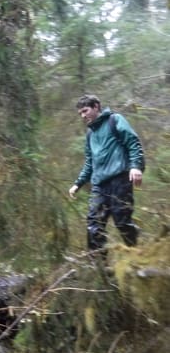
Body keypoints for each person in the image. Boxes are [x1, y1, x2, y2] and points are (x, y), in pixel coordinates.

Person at [68, 94, 145, 259]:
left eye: (85, 110)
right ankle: (98, 266)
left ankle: (136, 257)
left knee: (122, 221)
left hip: (120, 179)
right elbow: (90, 162)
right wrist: (78, 184)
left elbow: (133, 142)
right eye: (80, 113)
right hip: (99, 185)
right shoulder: (90, 134)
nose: (83, 116)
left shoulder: (115, 120)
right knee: (94, 224)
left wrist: (136, 167)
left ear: (96, 106)